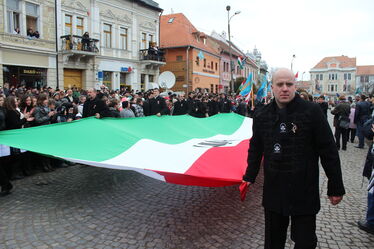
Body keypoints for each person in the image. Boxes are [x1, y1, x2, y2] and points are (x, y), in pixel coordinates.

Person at [242, 68, 345, 249]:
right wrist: (249, 175)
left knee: (305, 242)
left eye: (289, 84)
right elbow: (256, 147)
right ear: (272, 87)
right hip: (274, 189)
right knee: (273, 242)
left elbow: (328, 150)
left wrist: (335, 186)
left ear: (294, 86)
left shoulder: (311, 112)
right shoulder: (261, 114)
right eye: (280, 84)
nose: (284, 88)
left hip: (304, 190)